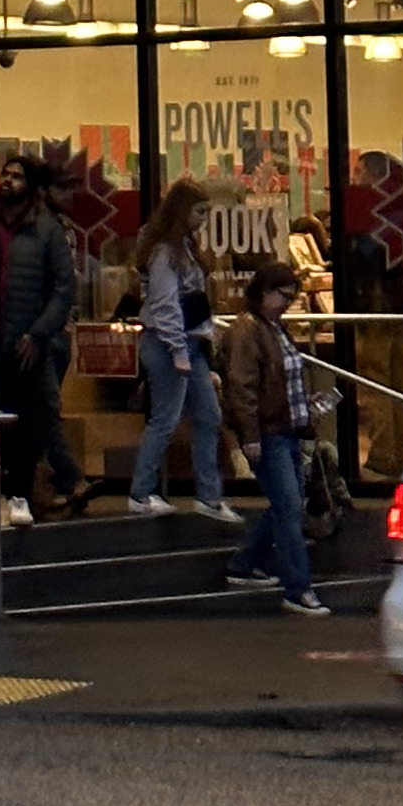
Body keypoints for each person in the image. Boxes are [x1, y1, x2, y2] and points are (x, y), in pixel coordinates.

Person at [220, 261, 325, 610]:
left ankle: (245, 564)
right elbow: (241, 388)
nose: (287, 302)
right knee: (288, 508)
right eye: (283, 295)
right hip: (271, 430)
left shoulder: (267, 327)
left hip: (282, 426)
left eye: (290, 297)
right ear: (263, 293)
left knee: (285, 506)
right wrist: (250, 435)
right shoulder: (251, 331)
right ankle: (298, 587)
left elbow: (256, 385)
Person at [127, 182, 233, 519]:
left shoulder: (183, 247)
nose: (204, 219)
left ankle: (208, 495)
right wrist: (177, 349)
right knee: (166, 418)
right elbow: (165, 303)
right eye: (199, 211)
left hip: (190, 340)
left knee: (209, 415)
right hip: (169, 342)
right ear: (182, 211)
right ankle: (141, 493)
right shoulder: (166, 252)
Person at [0, 153, 92, 519]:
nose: (8, 181)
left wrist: (38, 333)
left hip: (30, 341)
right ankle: (18, 488)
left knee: (35, 417)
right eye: (5, 174)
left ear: (32, 187)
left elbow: (62, 287)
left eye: (17, 176)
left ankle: (25, 491)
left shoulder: (47, 229)